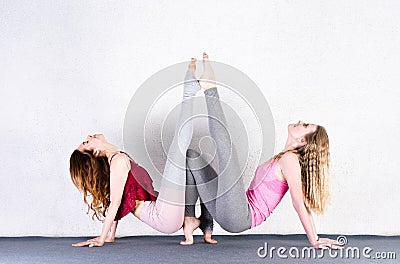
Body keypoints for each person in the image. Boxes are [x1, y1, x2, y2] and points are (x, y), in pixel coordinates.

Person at [181, 52, 341, 250]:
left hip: (240, 216)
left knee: (227, 153)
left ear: (303, 141)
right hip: (228, 211)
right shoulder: (282, 158)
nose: (300, 121)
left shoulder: (291, 160)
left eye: (305, 125)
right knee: (191, 157)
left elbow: (299, 202)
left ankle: (210, 88)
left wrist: (314, 240)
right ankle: (195, 220)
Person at [69, 58, 204, 247]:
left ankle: (190, 220)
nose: (89, 136)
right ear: (96, 151)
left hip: (167, 213)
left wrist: (110, 236)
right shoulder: (117, 161)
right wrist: (102, 238)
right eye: (86, 142)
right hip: (162, 216)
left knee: (187, 157)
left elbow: (114, 201)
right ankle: (189, 91)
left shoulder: (117, 160)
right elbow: (115, 203)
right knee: (178, 151)